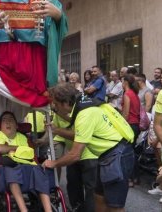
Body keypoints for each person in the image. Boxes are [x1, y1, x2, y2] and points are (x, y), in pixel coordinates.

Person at [43, 83, 134, 212]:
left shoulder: (85, 114)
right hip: (107, 155)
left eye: (56, 105)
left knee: (114, 205)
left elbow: (75, 154)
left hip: (117, 155)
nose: (55, 108)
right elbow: (77, 127)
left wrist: (54, 163)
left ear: (65, 102)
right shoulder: (84, 105)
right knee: (99, 198)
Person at [0, 111, 52, 212]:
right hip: (11, 165)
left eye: (10, 120)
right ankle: (24, 210)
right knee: (11, 172)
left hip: (29, 165)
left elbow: (30, 152)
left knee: (39, 170)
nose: (7, 123)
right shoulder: (0, 135)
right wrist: (19, 148)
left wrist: (11, 149)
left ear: (16, 125)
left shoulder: (23, 137)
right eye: (4, 121)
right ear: (0, 126)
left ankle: (48, 210)